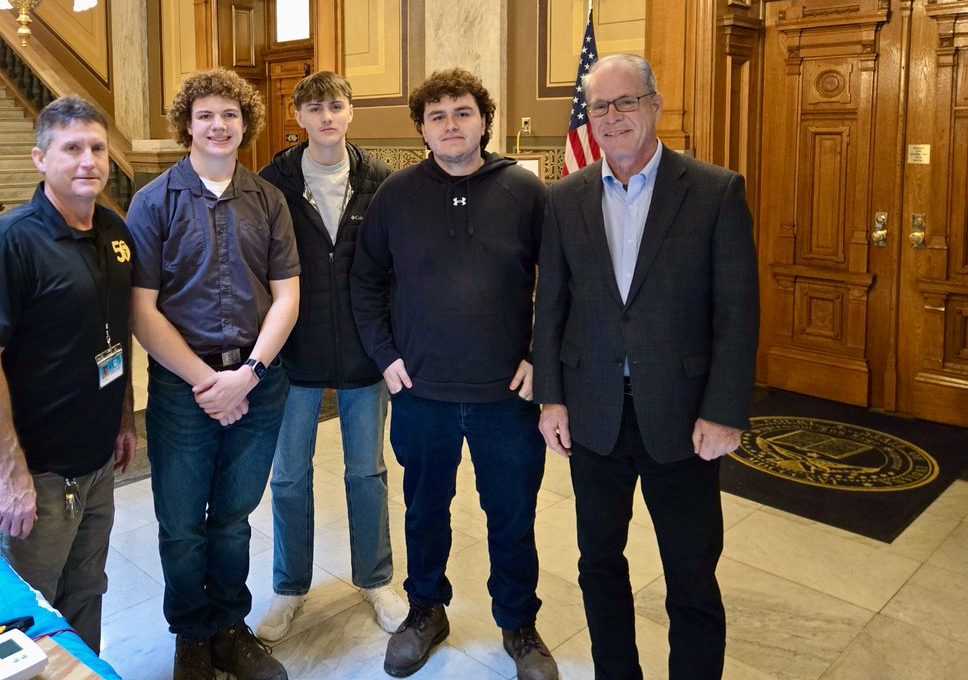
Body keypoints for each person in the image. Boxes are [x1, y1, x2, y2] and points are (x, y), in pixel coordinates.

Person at [532, 53, 759, 679]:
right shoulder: (565, 197)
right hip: (594, 416)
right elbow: (550, 304)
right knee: (598, 565)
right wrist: (551, 399)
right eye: (599, 106)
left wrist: (724, 411)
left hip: (683, 420)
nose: (611, 117)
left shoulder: (715, 190)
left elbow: (737, 312)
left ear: (655, 105)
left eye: (624, 102)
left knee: (691, 573)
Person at [351, 68, 558, 680]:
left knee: (512, 515)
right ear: (421, 128)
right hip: (422, 393)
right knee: (423, 510)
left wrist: (538, 360)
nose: (450, 124)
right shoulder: (395, 195)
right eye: (436, 115)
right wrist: (386, 358)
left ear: (484, 120)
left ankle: (519, 626)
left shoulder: (526, 191)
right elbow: (366, 282)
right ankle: (425, 611)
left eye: (462, 112)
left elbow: (564, 286)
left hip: (506, 396)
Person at [126, 68, 300, 680]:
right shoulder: (152, 202)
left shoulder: (269, 200)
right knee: (180, 522)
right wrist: (209, 382)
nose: (219, 125)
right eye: (206, 115)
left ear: (244, 124)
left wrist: (248, 374)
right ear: (188, 126)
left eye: (230, 114)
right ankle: (191, 635)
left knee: (232, 517)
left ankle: (229, 627)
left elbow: (286, 297)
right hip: (181, 389)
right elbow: (142, 311)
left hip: (259, 382)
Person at [0, 95, 137, 654]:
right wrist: (11, 477)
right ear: (40, 158)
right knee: (27, 616)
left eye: (98, 148)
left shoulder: (114, 230)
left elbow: (116, 331)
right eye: (72, 148)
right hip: (32, 472)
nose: (89, 161)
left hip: (96, 463)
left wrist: (125, 418)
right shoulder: (7, 242)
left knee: (86, 591)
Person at [254, 71, 407, 642]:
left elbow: (396, 269)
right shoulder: (272, 182)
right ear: (298, 117)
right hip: (292, 352)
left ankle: (375, 579)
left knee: (366, 472)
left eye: (335, 106)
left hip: (366, 351)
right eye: (314, 107)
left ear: (350, 113)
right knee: (289, 476)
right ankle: (289, 589)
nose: (326, 117)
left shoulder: (381, 181)